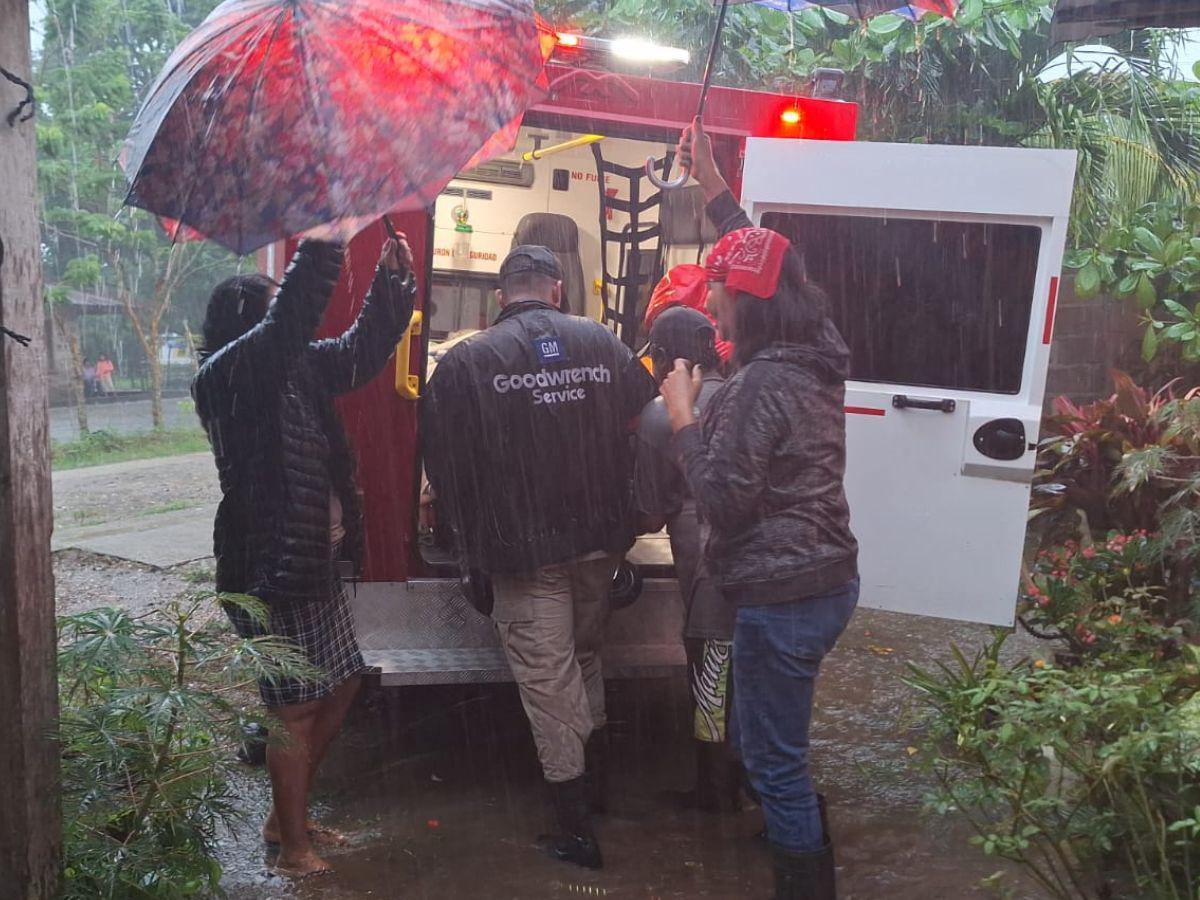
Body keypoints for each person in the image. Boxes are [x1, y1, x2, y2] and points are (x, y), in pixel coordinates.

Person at [660, 120, 859, 900]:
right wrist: (713, 184)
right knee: (759, 739)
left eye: (716, 287)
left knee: (775, 763)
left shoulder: (754, 386)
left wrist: (683, 417)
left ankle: (806, 883)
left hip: (783, 595)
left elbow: (723, 502)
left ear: (745, 303)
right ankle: (809, 843)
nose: (708, 295)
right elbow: (766, 256)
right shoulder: (819, 348)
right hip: (827, 582)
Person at [421, 245, 656, 870]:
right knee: (583, 658)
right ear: (555, 289)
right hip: (597, 543)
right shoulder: (604, 345)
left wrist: (467, 548)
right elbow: (643, 419)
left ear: (504, 295)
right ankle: (598, 788)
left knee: (548, 680)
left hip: (524, 551)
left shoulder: (466, 361)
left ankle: (577, 830)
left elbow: (445, 468)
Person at [192, 235, 415, 878]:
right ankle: (291, 849)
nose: (286, 330)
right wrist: (324, 243)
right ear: (247, 328)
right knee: (293, 708)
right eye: (272, 316)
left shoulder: (292, 367)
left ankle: (285, 816)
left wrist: (391, 284)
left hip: (312, 563)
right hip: (270, 569)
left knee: (343, 680)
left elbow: (356, 354)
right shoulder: (226, 378)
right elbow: (286, 327)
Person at [632, 302, 741, 813]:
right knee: (749, 674)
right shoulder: (745, 396)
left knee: (710, 671)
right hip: (760, 561)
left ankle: (714, 791)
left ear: (661, 360)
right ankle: (753, 781)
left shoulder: (660, 416)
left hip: (705, 560)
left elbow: (651, 512)